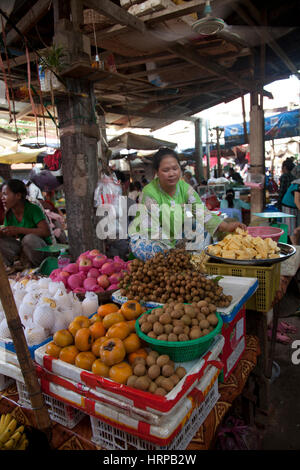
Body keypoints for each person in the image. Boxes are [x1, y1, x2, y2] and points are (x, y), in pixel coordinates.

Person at [128, 148, 246, 261]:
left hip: (172, 237)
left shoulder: (185, 188)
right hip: (147, 237)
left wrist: (226, 226)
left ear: (180, 169)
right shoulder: (149, 192)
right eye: (166, 170)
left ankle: (184, 257)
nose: (171, 173)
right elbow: (152, 229)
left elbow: (202, 213)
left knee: (199, 229)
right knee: (161, 254)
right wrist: (174, 252)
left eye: (175, 168)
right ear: (157, 172)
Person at [0, 179, 52, 269]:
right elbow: (12, 238)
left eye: (5, 194)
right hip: (23, 250)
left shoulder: (33, 209)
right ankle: (13, 266)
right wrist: (4, 233)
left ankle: (39, 268)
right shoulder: (9, 214)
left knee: (29, 239)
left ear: (18, 195)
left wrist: (19, 230)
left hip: (42, 249)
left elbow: (46, 232)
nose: (2, 198)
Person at [281, 168, 300, 243]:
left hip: (296, 207)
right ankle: (295, 246)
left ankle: (297, 244)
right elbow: (296, 201)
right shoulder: (298, 185)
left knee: (296, 228)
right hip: (288, 206)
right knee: (291, 228)